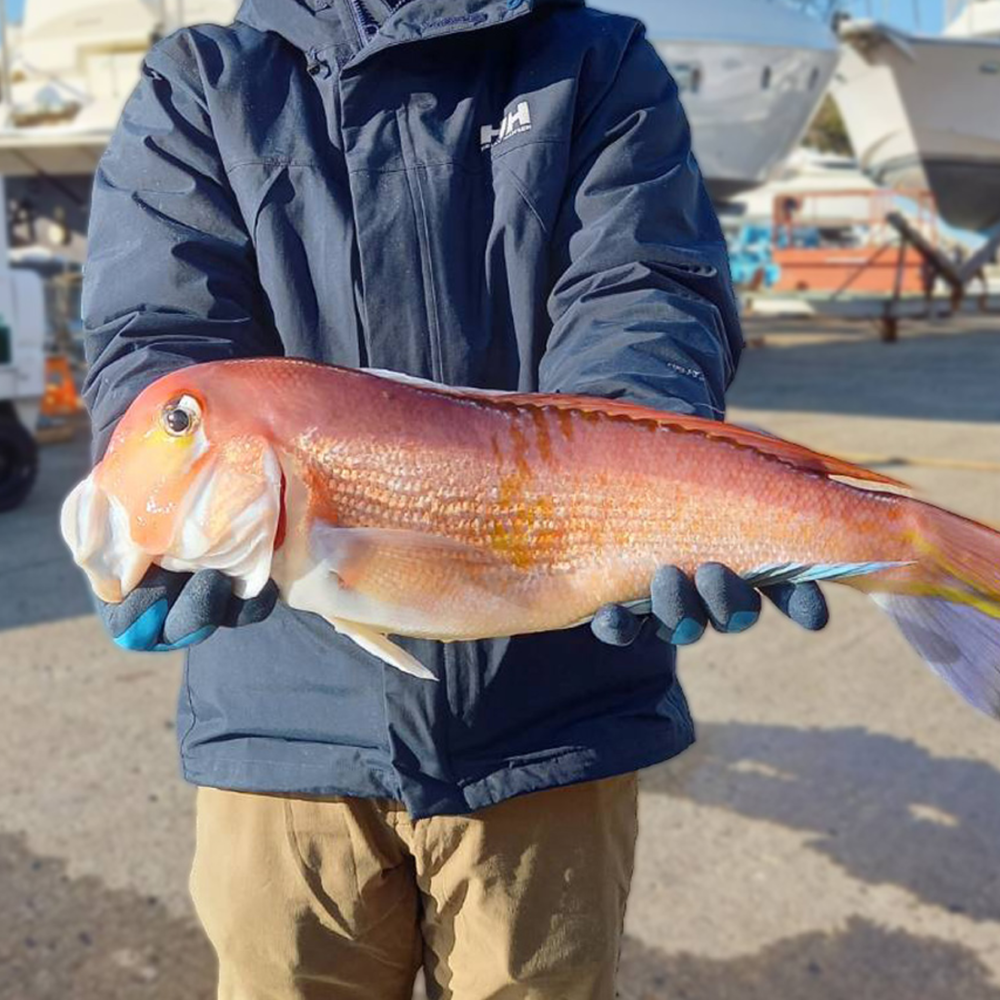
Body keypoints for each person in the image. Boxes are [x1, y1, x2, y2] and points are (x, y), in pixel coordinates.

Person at [82, 1, 828, 997]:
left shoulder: (593, 58)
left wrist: (654, 491)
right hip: (282, 733)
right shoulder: (207, 75)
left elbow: (641, 292)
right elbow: (158, 333)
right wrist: (152, 510)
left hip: (551, 723)